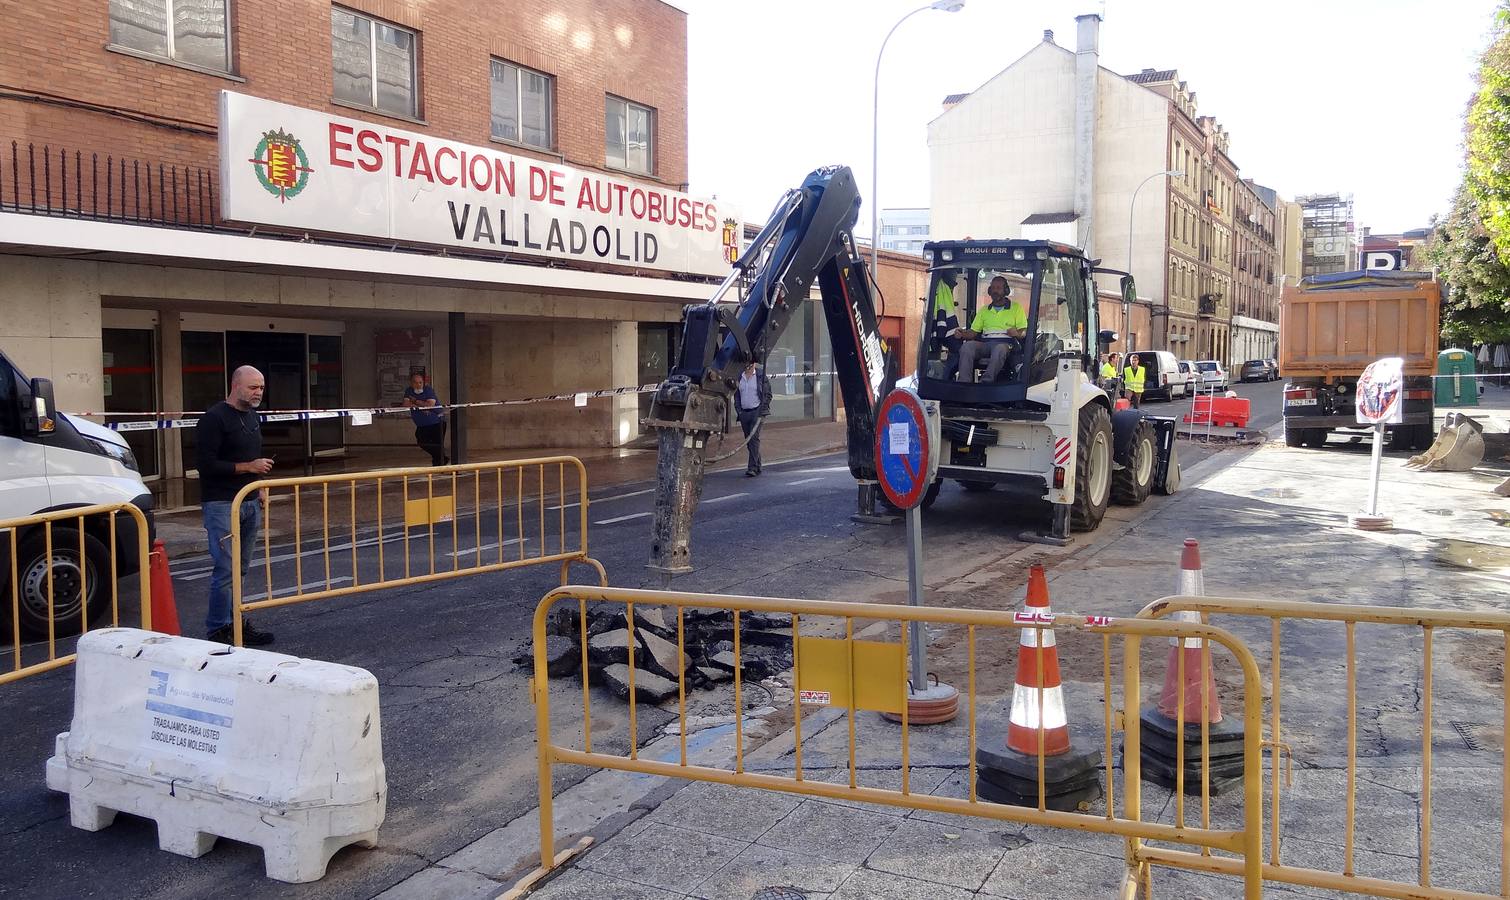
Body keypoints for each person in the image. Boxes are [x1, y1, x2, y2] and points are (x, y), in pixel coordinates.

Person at [196, 365, 275, 646]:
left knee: (239, 570)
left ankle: (236, 623)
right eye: (253, 387)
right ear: (235, 385)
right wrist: (247, 468)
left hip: (250, 501)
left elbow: (252, 455)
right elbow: (205, 465)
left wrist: (260, 486)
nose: (258, 393)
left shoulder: (253, 417)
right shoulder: (214, 419)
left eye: (261, 388)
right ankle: (218, 629)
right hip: (221, 503)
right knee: (226, 569)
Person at [956, 276, 1028, 382]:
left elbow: (1024, 333)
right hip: (986, 343)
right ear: (989, 291)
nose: (995, 291)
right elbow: (973, 332)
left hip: (1006, 343)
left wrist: (1016, 333)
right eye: (993, 288)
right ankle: (964, 383)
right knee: (967, 347)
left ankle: (985, 382)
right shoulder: (984, 310)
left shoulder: (1016, 308)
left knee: (1000, 349)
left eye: (998, 288)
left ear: (1006, 290)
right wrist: (962, 334)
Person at [402, 371, 448, 466]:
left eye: (420, 382)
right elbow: (406, 404)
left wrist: (415, 401)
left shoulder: (428, 390)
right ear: (411, 383)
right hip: (422, 424)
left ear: (424, 382)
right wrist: (421, 406)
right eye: (415, 382)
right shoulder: (409, 391)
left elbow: (430, 405)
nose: (418, 385)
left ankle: (439, 464)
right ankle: (442, 459)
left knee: (437, 444)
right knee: (422, 442)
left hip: (436, 423)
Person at [736, 361, 772, 476]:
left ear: (754, 365)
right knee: (749, 441)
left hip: (757, 412)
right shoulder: (739, 377)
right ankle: (758, 465)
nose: (749, 368)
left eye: (751, 365)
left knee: (754, 439)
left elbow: (768, 394)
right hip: (744, 413)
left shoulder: (760, 376)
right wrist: (739, 411)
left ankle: (752, 468)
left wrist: (762, 410)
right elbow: (737, 395)